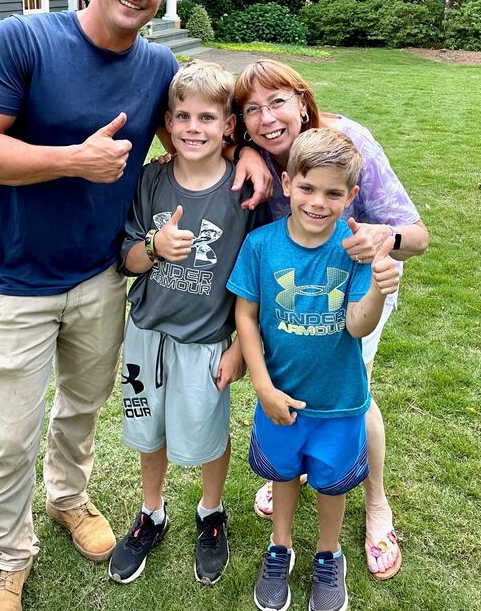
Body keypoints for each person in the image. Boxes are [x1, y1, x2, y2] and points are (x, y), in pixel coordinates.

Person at [0, 0, 270, 611]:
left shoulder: (157, 68)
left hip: (102, 277)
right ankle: (9, 559)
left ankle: (69, 499)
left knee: (82, 411)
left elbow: (199, 123)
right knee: (10, 437)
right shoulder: (25, 39)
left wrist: (250, 149)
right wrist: (73, 160)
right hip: (16, 280)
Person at [234, 59, 429, 579]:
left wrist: (381, 238)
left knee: (351, 390)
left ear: (302, 101)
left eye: (277, 101)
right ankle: (296, 465)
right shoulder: (255, 157)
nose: (267, 117)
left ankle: (375, 504)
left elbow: (417, 234)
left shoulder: (346, 141)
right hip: (289, 293)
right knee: (298, 377)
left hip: (359, 282)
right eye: (251, 110)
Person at [228, 127, 401, 611]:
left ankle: (330, 555)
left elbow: (356, 327)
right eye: (307, 188)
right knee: (282, 475)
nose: (318, 202)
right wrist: (262, 385)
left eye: (333, 193)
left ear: (352, 198)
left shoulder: (354, 252)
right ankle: (278, 547)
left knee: (331, 484)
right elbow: (245, 314)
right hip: (279, 397)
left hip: (339, 402)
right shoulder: (261, 246)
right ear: (287, 184)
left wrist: (377, 290)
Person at [108, 61, 265, 587]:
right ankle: (152, 512)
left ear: (228, 126)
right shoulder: (151, 179)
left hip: (208, 341)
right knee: (146, 427)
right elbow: (127, 256)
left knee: (207, 430)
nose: (193, 127)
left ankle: (211, 512)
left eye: (206, 117)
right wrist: (155, 248)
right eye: (182, 116)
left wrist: (242, 347)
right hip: (146, 335)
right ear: (168, 124)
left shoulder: (245, 192)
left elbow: (258, 279)